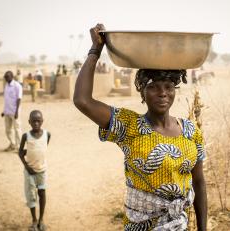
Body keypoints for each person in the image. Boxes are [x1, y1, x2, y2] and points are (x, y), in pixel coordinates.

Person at [73, 24, 207, 230]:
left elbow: (198, 182)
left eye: (169, 87)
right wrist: (95, 50)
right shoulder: (129, 126)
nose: (162, 93)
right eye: (153, 87)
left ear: (174, 90)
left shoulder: (191, 132)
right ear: (142, 92)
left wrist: (203, 228)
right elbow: (83, 101)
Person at [18, 110, 51, 231]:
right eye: (34, 121)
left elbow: (43, 147)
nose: (36, 123)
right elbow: (20, 152)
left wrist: (33, 152)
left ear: (42, 121)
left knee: (42, 194)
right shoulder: (26, 136)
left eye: (38, 121)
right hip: (29, 172)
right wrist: (27, 167)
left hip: (42, 171)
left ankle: (41, 220)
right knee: (31, 196)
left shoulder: (47, 134)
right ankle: (34, 220)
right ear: (29, 122)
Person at [1, 70, 23, 151]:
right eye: (5, 77)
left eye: (7, 77)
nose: (6, 79)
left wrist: (16, 111)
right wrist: (4, 111)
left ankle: (19, 147)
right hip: (7, 111)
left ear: (12, 77)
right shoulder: (6, 85)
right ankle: (12, 144)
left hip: (15, 111)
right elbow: (7, 99)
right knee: (8, 130)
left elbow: (19, 99)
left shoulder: (17, 86)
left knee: (17, 129)